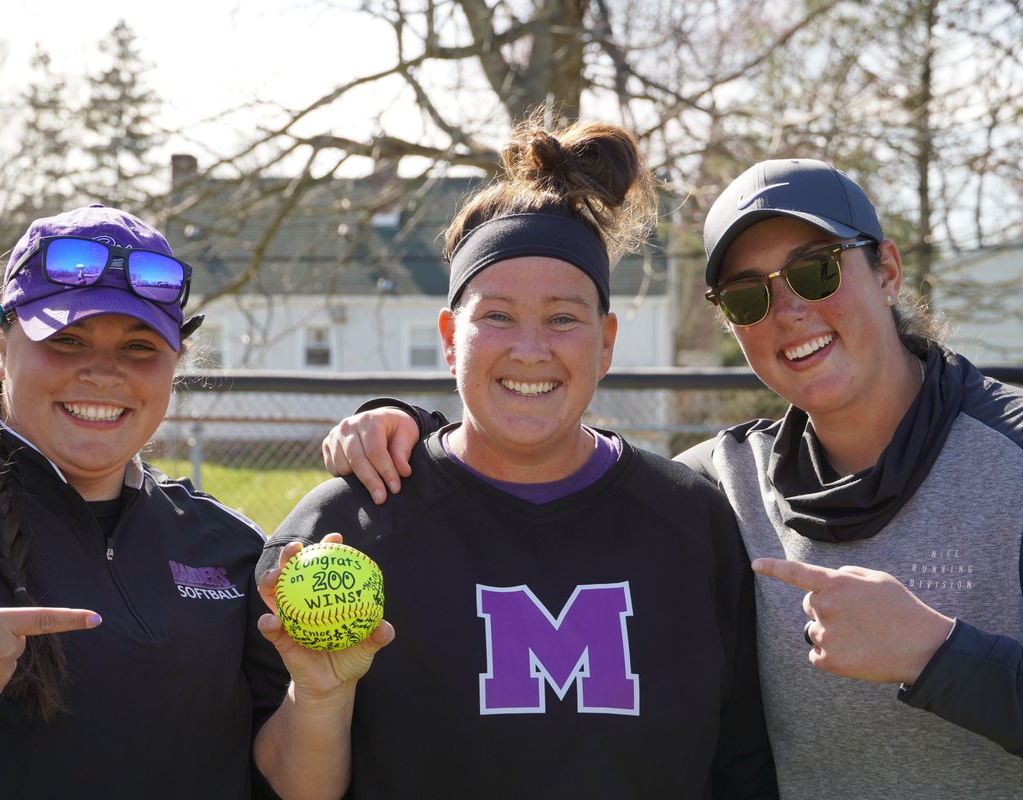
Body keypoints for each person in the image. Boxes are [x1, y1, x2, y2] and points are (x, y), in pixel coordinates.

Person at [324, 158, 1023, 798]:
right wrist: (408, 427)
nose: (789, 310)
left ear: (885, 270)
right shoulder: (725, 486)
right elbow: (541, 457)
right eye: (749, 295)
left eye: (816, 270)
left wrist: (938, 657)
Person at [255, 117, 777, 799]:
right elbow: (289, 790)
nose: (530, 351)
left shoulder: (691, 522)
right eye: (496, 316)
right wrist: (318, 697)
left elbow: (742, 765)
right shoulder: (349, 526)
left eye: (563, 318)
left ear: (606, 342)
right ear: (450, 337)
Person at [0, 205, 292, 798]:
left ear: (175, 364)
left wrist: (320, 693)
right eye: (67, 339)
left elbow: (290, 775)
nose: (102, 373)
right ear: (2, 342)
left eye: (139, 347)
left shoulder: (229, 545)